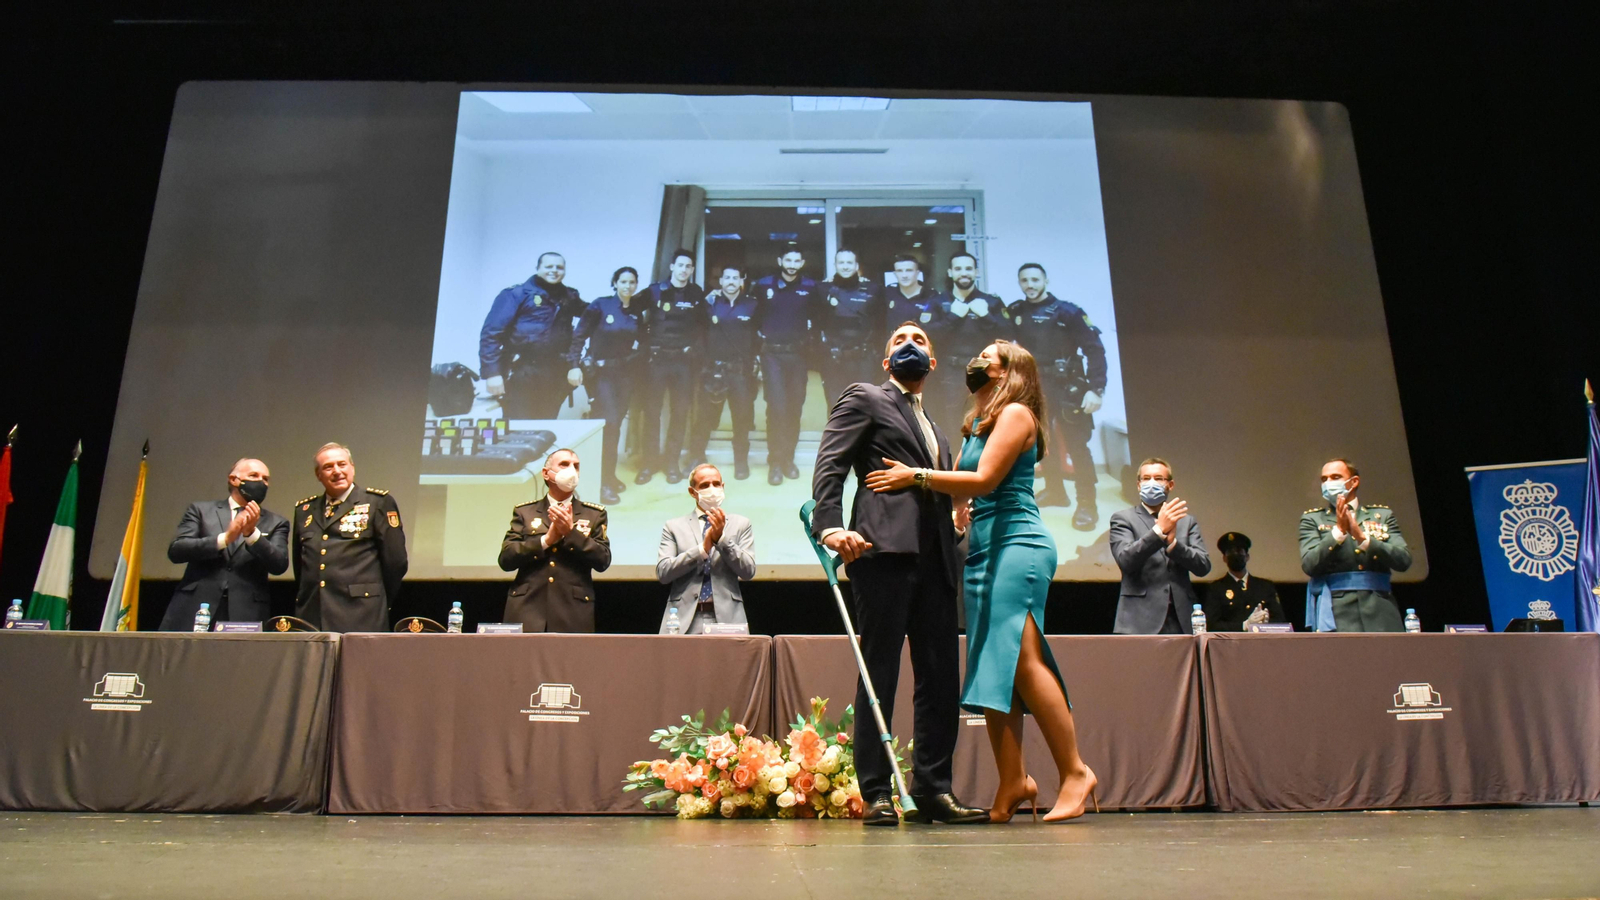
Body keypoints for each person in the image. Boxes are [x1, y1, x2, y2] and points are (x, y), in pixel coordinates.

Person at [867, 339, 1099, 823]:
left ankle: (1076, 772)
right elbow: (961, 489)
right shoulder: (978, 423)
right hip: (983, 549)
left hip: (1019, 544)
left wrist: (917, 477)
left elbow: (986, 480)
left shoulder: (1017, 414)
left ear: (1009, 370)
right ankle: (1013, 780)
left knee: (1025, 661)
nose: (977, 359)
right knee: (993, 668)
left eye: (989, 354)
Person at [810, 321, 986, 827]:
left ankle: (933, 790)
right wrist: (829, 528)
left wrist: (954, 526)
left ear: (932, 363)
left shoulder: (937, 429)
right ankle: (876, 792)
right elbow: (831, 464)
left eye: (921, 341)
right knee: (878, 675)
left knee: (939, 679)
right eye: (899, 341)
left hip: (937, 563)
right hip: (882, 554)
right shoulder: (866, 397)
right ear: (887, 362)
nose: (911, 345)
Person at [1010, 263, 1107, 529]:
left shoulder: (1069, 312)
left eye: (1034, 279)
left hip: (1068, 387)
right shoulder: (1016, 311)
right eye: (1024, 280)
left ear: (1046, 280)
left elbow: (1095, 350)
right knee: (1040, 442)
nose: (1029, 284)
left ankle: (1087, 504)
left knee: (1077, 446)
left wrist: (1096, 389)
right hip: (1034, 385)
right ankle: (1056, 492)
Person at [161, 457, 290, 630]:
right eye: (254, 476)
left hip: (246, 612)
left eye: (265, 479)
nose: (261, 482)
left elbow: (279, 565)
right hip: (195, 606)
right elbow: (177, 550)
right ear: (233, 479)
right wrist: (225, 539)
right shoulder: (200, 511)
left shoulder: (277, 522)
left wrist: (252, 535)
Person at [292, 443, 408, 632]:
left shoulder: (377, 503)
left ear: (352, 468)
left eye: (342, 464)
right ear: (318, 475)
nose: (337, 471)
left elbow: (396, 562)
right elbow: (300, 566)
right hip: (313, 614)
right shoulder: (304, 510)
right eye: (328, 467)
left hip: (361, 613)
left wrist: (375, 597)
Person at [500, 448, 611, 632]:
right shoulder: (525, 512)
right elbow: (506, 559)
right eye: (564, 464)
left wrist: (571, 533)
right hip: (527, 609)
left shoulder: (594, 514)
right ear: (546, 473)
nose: (572, 471)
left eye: (576, 466)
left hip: (572, 612)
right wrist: (545, 541)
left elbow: (602, 560)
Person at [1300, 458, 1413, 632]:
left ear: (1353, 482)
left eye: (1335, 477)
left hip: (1380, 608)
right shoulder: (1313, 519)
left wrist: (1363, 539)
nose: (1328, 483)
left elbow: (1403, 560)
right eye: (1324, 479)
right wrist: (1338, 532)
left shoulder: (1381, 515)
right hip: (1338, 612)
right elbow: (1309, 564)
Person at [479, 251, 587, 419]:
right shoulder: (516, 294)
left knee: (547, 424)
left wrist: (622, 302)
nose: (554, 270)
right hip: (522, 371)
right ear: (538, 268)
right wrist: (492, 373)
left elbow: (593, 314)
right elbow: (491, 334)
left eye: (559, 267)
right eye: (548, 266)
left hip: (555, 373)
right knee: (518, 427)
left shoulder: (569, 297)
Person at [1108, 458, 1212, 634]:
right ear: (1139, 485)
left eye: (1158, 478)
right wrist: (1158, 531)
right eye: (1146, 478)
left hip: (1181, 621)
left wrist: (1173, 545)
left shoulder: (1186, 522)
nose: (1151, 483)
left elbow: (1203, 566)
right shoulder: (1123, 518)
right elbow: (1125, 560)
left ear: (1170, 485)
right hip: (1138, 621)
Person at [571, 266, 645, 505]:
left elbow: (642, 340)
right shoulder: (600, 305)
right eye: (623, 281)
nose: (628, 286)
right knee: (609, 423)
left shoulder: (636, 311)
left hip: (624, 375)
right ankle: (602, 484)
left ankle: (609, 476)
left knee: (615, 426)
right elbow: (579, 335)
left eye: (632, 282)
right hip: (601, 376)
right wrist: (574, 364)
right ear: (615, 283)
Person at [655, 463, 756, 633]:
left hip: (728, 619)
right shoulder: (673, 526)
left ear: (723, 487)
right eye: (704, 485)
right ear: (692, 492)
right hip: (682, 620)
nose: (712, 489)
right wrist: (702, 550)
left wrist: (722, 540)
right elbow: (663, 572)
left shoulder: (741, 524)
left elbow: (748, 571)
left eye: (716, 484)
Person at [635, 250, 708, 485]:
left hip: (683, 364)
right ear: (672, 266)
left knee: (679, 413)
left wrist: (694, 349)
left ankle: (671, 463)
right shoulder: (654, 290)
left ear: (692, 270)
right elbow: (630, 311)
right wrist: (644, 342)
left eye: (689, 266)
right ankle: (648, 463)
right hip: (657, 362)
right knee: (652, 413)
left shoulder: (696, 293)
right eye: (681, 265)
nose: (684, 270)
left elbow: (704, 325)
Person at [684, 266, 760, 481]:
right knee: (705, 419)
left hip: (740, 373)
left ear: (742, 280)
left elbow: (758, 337)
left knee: (742, 419)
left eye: (736, 277)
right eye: (727, 277)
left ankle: (741, 462)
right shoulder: (708, 305)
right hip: (713, 372)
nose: (731, 281)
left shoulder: (753, 305)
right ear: (721, 281)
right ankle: (696, 458)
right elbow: (696, 332)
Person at [754, 249, 818, 484]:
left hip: (798, 357)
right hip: (772, 356)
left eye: (796, 260)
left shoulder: (811, 287)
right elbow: (752, 317)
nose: (792, 264)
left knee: (794, 409)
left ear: (802, 262)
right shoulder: (762, 286)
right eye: (787, 260)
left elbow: (820, 316)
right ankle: (775, 463)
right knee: (777, 408)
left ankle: (788, 459)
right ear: (779, 260)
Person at [929, 253, 1004, 443]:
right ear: (950, 272)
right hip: (950, 371)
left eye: (969, 269)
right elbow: (928, 335)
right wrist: (953, 316)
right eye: (958, 269)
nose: (964, 273)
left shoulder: (992, 302)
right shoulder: (938, 302)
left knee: (987, 417)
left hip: (985, 369)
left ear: (976, 272)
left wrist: (986, 316)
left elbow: (1007, 335)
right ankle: (954, 469)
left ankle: (984, 468)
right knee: (951, 420)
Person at [816, 248, 885, 407]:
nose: (845, 266)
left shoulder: (874, 290)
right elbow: (816, 323)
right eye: (841, 262)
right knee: (837, 408)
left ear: (856, 266)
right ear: (835, 265)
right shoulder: (821, 290)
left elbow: (880, 324)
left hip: (864, 360)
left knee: (865, 408)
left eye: (849, 262)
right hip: (833, 360)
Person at [1203, 532, 1285, 631]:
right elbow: (1211, 624)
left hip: (1262, 643)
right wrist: (1244, 625)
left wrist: (1266, 624)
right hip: (1231, 644)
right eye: (1230, 552)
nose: (1235, 555)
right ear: (1224, 558)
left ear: (1247, 556)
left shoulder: (1265, 586)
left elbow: (1281, 621)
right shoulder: (1216, 589)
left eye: (1239, 551)